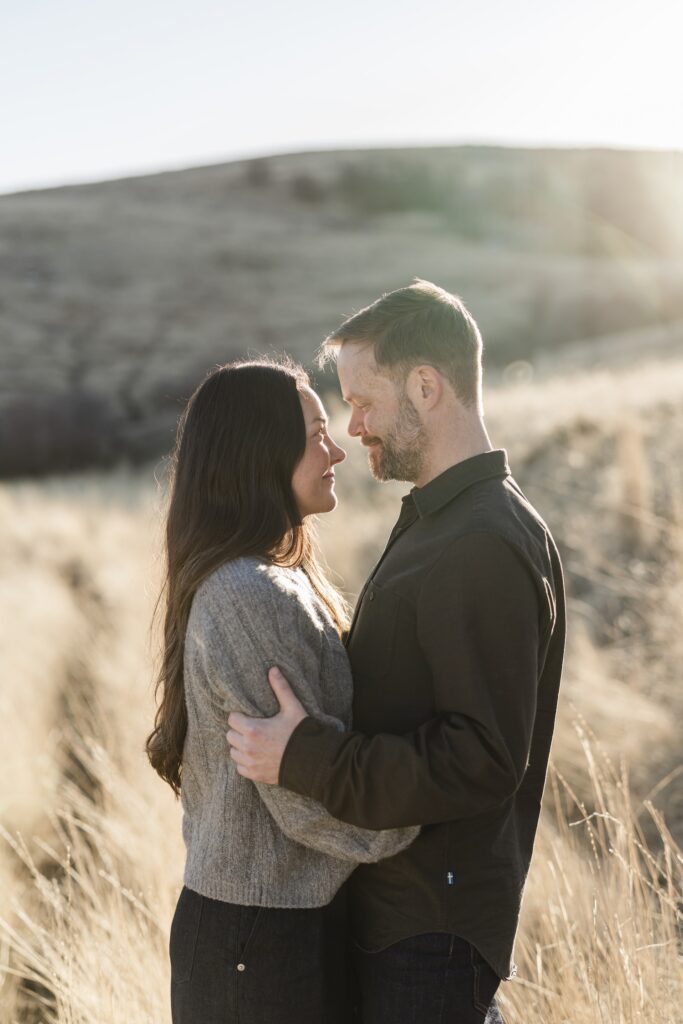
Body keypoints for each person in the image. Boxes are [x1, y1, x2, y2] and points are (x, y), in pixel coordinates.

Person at [227, 280, 567, 1024]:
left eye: (362, 401)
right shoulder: (443, 522)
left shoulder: (481, 541)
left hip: (429, 935)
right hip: (409, 918)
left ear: (425, 386)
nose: (353, 428)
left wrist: (305, 759)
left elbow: (479, 757)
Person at [146, 359, 418, 1024]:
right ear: (257, 452)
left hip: (274, 928)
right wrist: (430, 810)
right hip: (258, 943)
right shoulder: (247, 593)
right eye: (314, 434)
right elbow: (303, 806)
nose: (335, 450)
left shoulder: (274, 577)